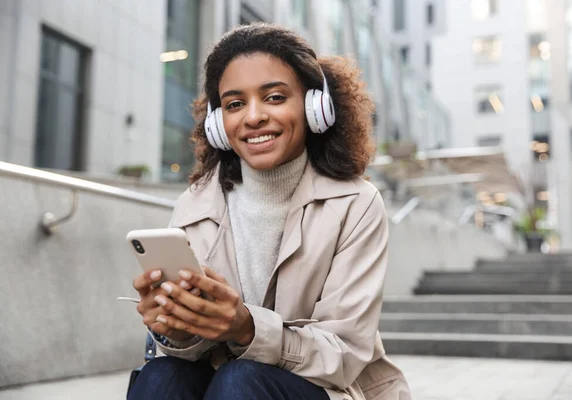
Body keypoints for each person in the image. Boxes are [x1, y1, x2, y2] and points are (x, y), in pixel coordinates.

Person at [128, 23, 411, 400]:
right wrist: (177, 328)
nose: (253, 117)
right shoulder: (195, 204)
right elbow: (195, 353)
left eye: (275, 97)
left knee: (240, 380)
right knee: (162, 376)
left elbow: (342, 357)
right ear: (217, 123)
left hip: (327, 388)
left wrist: (248, 329)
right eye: (234, 104)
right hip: (229, 386)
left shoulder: (356, 204)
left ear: (315, 107)